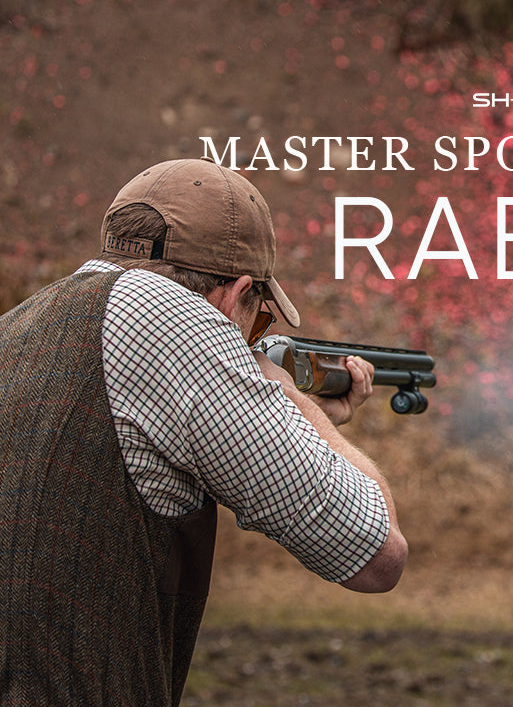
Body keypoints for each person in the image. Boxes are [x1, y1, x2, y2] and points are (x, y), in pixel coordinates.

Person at [0, 158, 408, 705]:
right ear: (233, 294)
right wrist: (289, 400)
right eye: (258, 318)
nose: (248, 337)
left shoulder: (19, 324)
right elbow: (376, 553)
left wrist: (288, 414)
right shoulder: (183, 324)